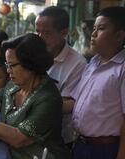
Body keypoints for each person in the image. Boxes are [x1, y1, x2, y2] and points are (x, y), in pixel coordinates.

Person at [68, 6, 125, 159]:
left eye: (101, 28)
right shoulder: (92, 64)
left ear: (119, 36)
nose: (93, 34)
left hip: (105, 150)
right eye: (94, 28)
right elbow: (75, 101)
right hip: (80, 145)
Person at [35, 6, 87, 147]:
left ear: (63, 33)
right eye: (37, 32)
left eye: (46, 33)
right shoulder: (33, 53)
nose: (39, 38)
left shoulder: (77, 64)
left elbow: (69, 104)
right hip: (32, 134)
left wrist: (29, 104)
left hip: (60, 139)